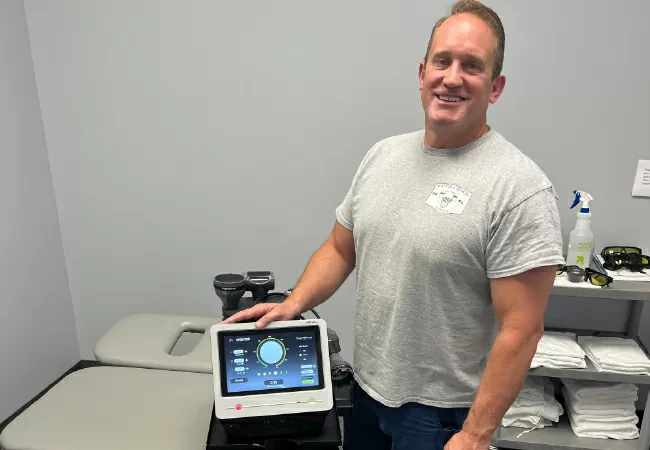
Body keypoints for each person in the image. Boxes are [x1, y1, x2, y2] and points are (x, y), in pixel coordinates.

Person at [223, 1, 565, 449]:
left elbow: (522, 329)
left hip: (441, 416)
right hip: (367, 394)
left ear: (495, 87)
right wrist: (294, 303)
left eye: (472, 66)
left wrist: (476, 433)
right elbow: (340, 248)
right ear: (422, 73)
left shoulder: (519, 188)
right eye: (442, 61)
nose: (452, 77)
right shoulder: (383, 156)